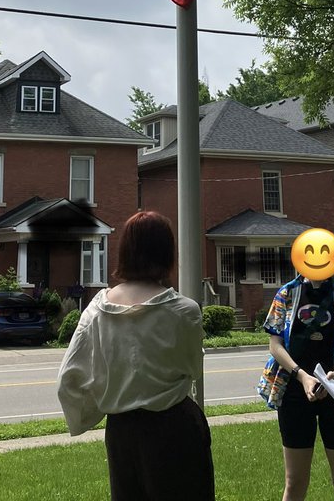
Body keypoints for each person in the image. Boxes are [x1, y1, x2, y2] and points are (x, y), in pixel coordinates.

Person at [56, 210, 215, 501]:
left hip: (122, 431)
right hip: (176, 427)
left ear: (125, 251)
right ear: (167, 252)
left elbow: (68, 378)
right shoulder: (184, 310)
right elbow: (193, 368)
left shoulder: (96, 310)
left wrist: (95, 409)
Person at [258, 268, 334, 501]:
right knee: (294, 482)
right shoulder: (287, 293)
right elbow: (275, 344)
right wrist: (302, 376)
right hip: (293, 393)